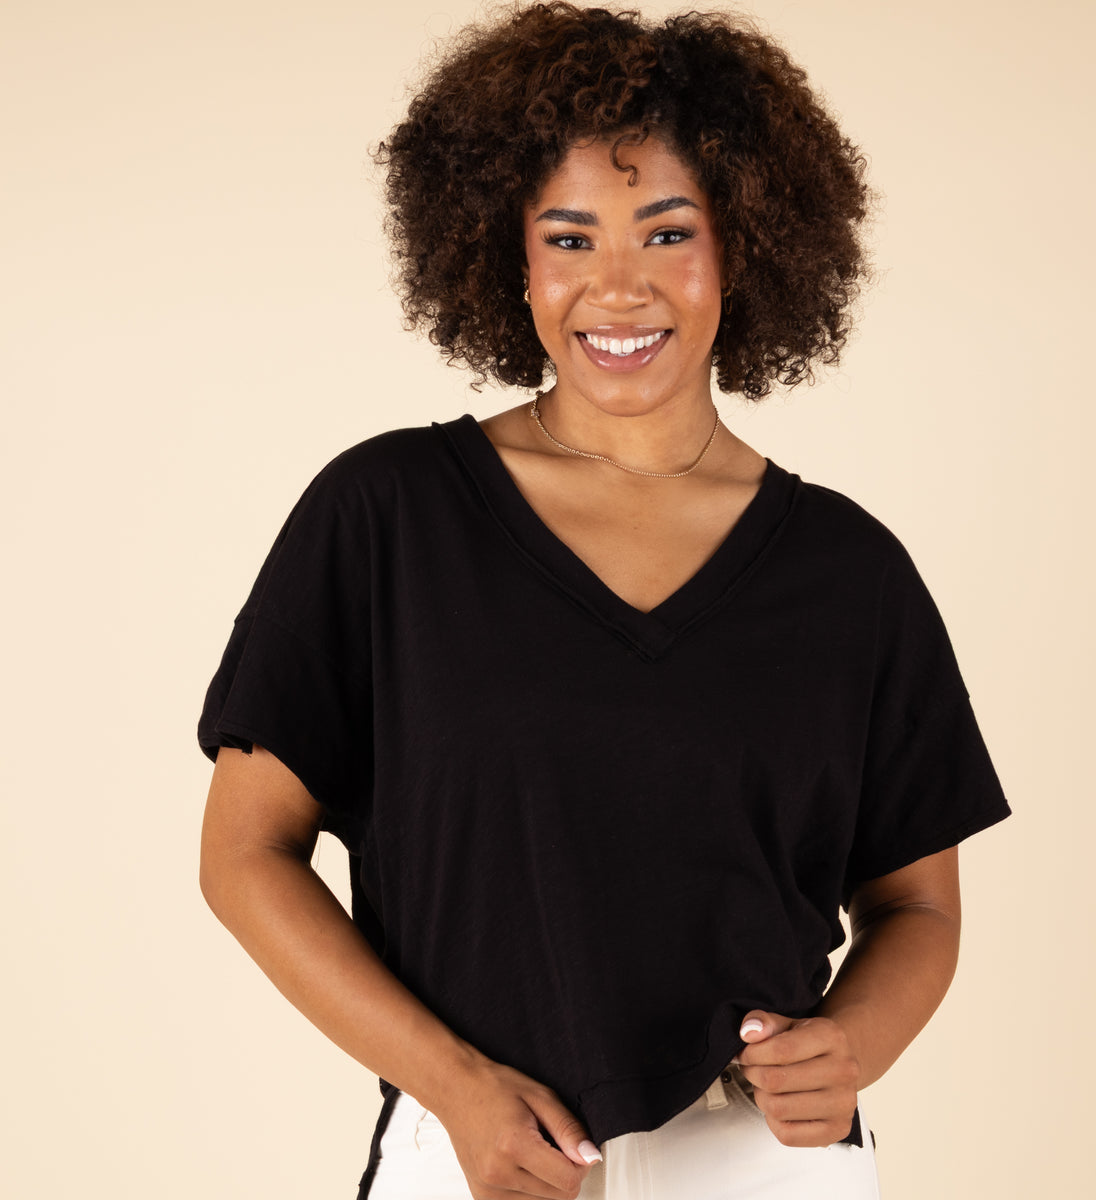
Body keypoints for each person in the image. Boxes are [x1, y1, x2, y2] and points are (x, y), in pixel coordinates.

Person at [197, 4, 1010, 1198]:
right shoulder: (388, 518)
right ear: (507, 257)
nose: (617, 289)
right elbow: (243, 851)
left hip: (761, 1163)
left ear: (746, 243)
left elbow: (917, 905)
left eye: (667, 231)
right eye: (569, 239)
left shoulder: (849, 572)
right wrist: (453, 1084)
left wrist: (858, 1044)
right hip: (478, 1156)